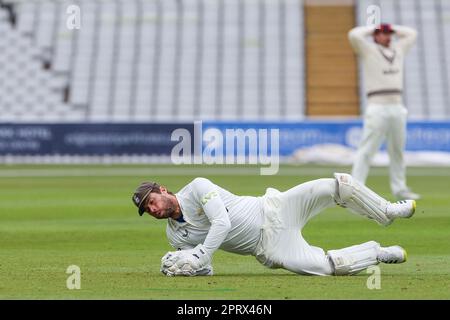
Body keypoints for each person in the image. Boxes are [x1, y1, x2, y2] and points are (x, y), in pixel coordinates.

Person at [131, 174, 416, 277]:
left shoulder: (197, 188)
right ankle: (376, 253)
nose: (154, 209)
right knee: (329, 267)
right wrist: (186, 266)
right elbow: (204, 267)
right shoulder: (175, 234)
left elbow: (222, 222)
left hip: (276, 208)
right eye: (148, 209)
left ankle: (387, 211)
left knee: (338, 186)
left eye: (152, 201)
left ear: (163, 190)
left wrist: (201, 253)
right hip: (270, 248)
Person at [348, 23, 420, 200]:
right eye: (383, 34)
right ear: (375, 36)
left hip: (397, 105)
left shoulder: (398, 48)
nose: (387, 36)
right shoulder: (369, 50)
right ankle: (355, 189)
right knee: (367, 150)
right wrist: (373, 28)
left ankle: (400, 188)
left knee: (397, 150)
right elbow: (354, 35)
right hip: (377, 106)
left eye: (389, 34)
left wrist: (393, 28)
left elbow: (412, 33)